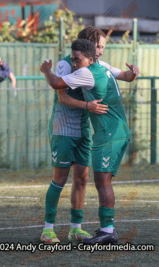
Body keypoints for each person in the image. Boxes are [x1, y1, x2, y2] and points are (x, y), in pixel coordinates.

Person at [39, 27, 139, 244]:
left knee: (82, 178)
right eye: (100, 46)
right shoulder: (67, 64)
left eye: (103, 47)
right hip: (64, 127)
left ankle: (76, 228)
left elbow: (125, 76)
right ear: (88, 44)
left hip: (86, 128)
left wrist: (133, 72)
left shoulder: (95, 65)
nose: (102, 52)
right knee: (60, 178)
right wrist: (87, 105)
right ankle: (48, 229)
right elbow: (62, 97)